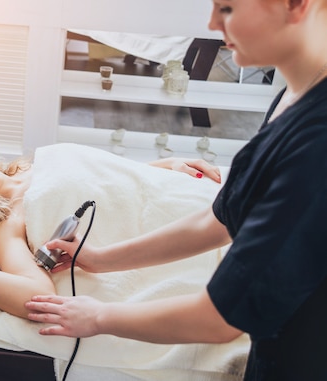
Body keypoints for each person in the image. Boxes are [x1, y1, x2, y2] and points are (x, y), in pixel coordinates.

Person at [25, 0, 327, 379]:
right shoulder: (293, 97)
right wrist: (99, 259)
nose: (213, 22)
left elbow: (220, 318)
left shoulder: (316, 145)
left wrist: (99, 316)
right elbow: (218, 220)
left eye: (228, 8)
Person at [0, 129, 221, 319]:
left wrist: (166, 164)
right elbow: (35, 296)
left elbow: (109, 177)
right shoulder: (6, 224)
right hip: (178, 243)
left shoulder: (39, 162)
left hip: (187, 195)